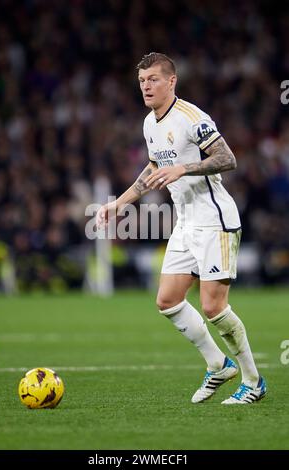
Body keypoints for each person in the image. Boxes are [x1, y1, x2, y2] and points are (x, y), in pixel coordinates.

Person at [96, 52, 266, 404]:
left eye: (154, 79)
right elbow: (153, 169)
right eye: (142, 80)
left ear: (171, 81)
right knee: (168, 300)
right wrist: (119, 203)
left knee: (213, 308)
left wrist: (185, 168)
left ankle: (253, 381)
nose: (146, 86)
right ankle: (217, 365)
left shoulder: (193, 118)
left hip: (214, 220)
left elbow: (227, 159)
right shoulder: (149, 124)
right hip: (185, 223)